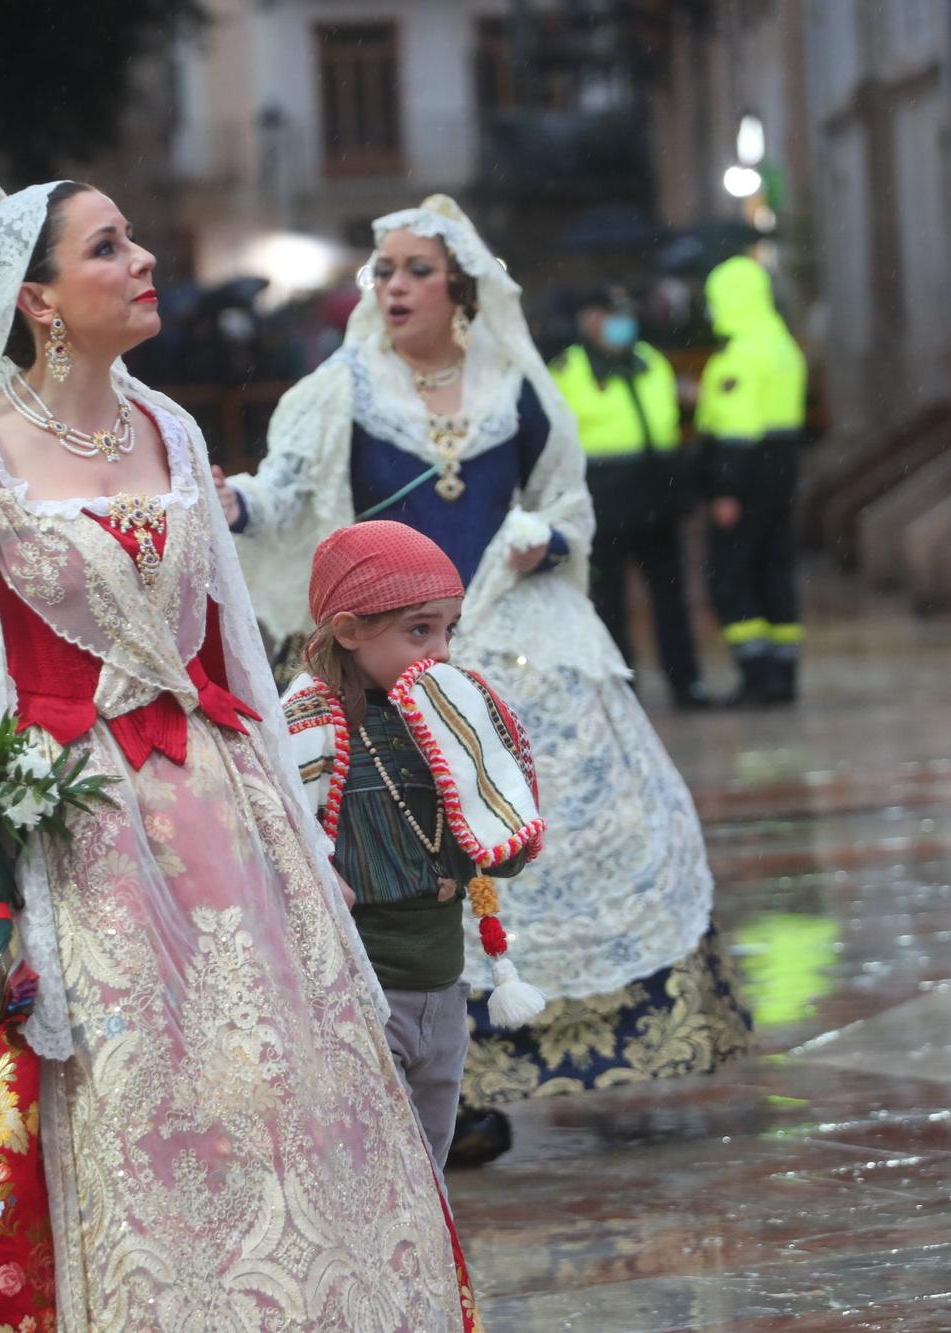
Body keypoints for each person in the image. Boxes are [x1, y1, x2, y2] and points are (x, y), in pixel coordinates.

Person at [0, 181, 476, 1331]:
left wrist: (291, 808)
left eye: (133, 241)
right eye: (107, 247)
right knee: (127, 1093)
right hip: (70, 816)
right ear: (37, 299)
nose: (141, 261)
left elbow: (222, 628)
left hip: (215, 795)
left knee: (281, 1075)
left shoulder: (170, 425)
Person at [219, 195, 751, 1167]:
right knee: (400, 844)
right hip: (390, 654)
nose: (391, 288)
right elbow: (283, 490)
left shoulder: (515, 382)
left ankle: (542, 1050)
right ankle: (440, 1087)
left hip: (510, 628)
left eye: (413, 271)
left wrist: (544, 536)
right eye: (381, 272)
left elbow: (565, 499)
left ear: (460, 291)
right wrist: (233, 503)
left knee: (555, 825)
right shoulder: (340, 388)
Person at [281, 521, 539, 1174]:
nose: (441, 651)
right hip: (359, 986)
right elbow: (278, 839)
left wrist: (490, 774)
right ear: (348, 630)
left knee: (429, 1159)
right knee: (374, 1171)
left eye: (450, 629)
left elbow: (500, 844)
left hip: (443, 985)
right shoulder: (310, 724)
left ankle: (431, 1274)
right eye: (419, 630)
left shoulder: (447, 714)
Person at [550, 286, 709, 709]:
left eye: (625, 314)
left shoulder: (649, 360)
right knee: (609, 604)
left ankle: (686, 682)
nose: (621, 324)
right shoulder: (568, 370)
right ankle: (622, 689)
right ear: (590, 321)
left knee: (672, 598)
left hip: (657, 494)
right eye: (610, 315)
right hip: (603, 499)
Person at [696, 255, 809, 706]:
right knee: (775, 574)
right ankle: (783, 673)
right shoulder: (785, 349)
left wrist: (725, 489)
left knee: (732, 579)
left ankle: (756, 675)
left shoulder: (740, 356)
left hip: (744, 486)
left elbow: (737, 435)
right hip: (780, 479)